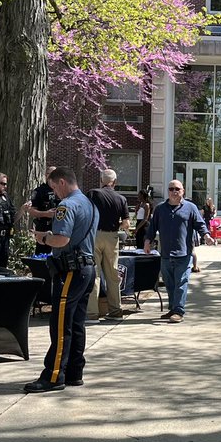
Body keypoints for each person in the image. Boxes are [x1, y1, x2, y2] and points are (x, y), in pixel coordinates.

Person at [27, 168, 98, 392]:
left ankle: (54, 375)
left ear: (62, 182)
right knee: (76, 324)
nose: (54, 192)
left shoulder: (67, 205)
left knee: (59, 325)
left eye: (54, 187)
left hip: (71, 270)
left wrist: (43, 237)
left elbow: (61, 239)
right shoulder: (90, 204)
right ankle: (74, 371)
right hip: (86, 269)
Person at [144, 179, 214, 323]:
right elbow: (152, 228)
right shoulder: (160, 209)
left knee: (181, 283)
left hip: (184, 254)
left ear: (183, 191)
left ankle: (178, 311)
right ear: (168, 191)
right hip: (165, 255)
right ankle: (172, 308)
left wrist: (206, 236)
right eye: (171, 189)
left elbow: (200, 225)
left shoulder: (190, 208)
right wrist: (147, 242)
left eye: (177, 189)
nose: (174, 191)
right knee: (170, 284)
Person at [88, 167, 131, 321]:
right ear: (115, 182)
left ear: (101, 181)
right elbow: (126, 223)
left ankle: (92, 312)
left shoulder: (93, 193)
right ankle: (115, 310)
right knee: (113, 275)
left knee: (95, 274)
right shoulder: (121, 199)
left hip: (95, 235)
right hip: (112, 236)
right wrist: (117, 226)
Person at [23, 165, 58, 251]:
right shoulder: (39, 191)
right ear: (46, 175)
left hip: (58, 228)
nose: (53, 176)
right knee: (43, 255)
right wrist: (46, 214)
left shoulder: (61, 189)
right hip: (43, 228)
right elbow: (31, 211)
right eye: (50, 174)